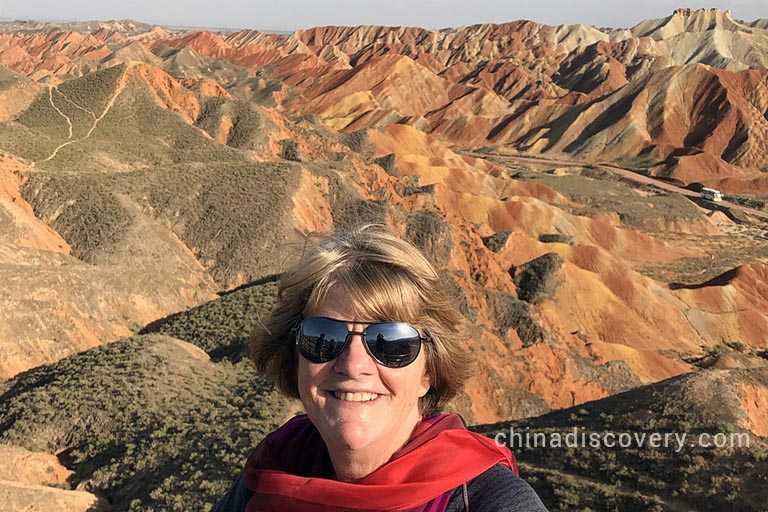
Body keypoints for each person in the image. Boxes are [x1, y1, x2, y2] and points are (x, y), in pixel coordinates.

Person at [212, 225, 548, 511]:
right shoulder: (273, 472)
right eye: (324, 336)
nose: (353, 364)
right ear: (295, 355)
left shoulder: (488, 502)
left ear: (428, 372)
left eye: (390, 342)